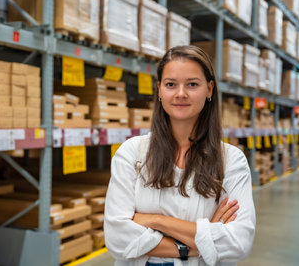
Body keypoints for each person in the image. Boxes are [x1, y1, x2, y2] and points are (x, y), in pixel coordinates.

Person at [104, 45, 256, 266]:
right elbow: (117, 239)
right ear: (159, 89)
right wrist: (201, 242)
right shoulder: (131, 153)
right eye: (171, 84)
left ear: (210, 89)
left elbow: (238, 243)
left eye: (192, 84)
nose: (180, 93)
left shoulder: (231, 161)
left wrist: (156, 221)